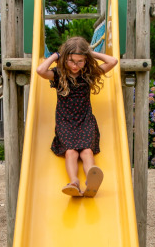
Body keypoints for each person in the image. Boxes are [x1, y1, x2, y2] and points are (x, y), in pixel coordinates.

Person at [36, 36, 118, 197]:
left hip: (85, 120)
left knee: (87, 151)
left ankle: (91, 182)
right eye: (72, 61)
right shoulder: (58, 75)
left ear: (86, 61)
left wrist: (90, 54)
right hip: (65, 122)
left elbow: (113, 61)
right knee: (71, 152)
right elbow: (40, 71)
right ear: (65, 59)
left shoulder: (88, 74)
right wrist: (56, 56)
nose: (76, 65)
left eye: (80, 61)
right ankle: (74, 182)